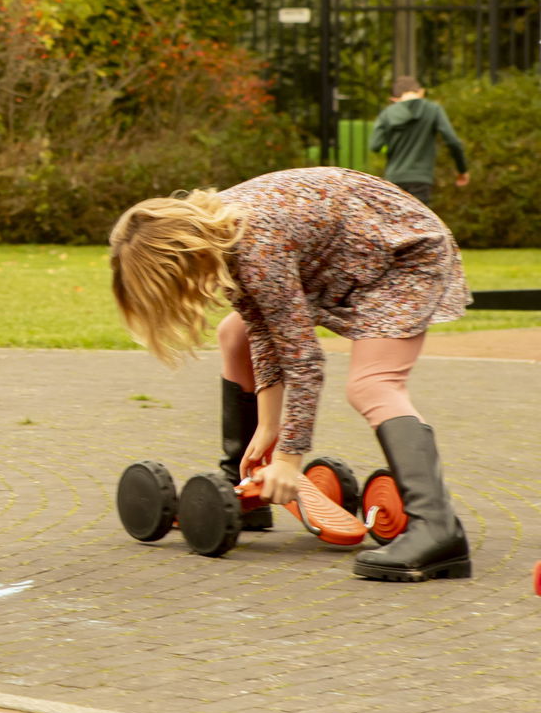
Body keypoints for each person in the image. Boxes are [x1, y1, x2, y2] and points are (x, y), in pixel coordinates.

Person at [109, 167, 473, 582]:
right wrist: (268, 428)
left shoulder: (254, 248)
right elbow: (262, 329)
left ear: (182, 261)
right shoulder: (219, 236)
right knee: (234, 334)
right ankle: (243, 486)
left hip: (403, 254)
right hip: (355, 247)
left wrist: (289, 458)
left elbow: (303, 360)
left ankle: (438, 528)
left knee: (372, 385)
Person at [370, 75, 469, 206]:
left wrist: (390, 145)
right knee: (416, 224)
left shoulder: (387, 114)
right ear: (420, 91)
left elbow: (375, 146)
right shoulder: (433, 110)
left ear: (395, 98)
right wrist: (462, 170)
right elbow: (452, 141)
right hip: (421, 180)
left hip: (393, 180)